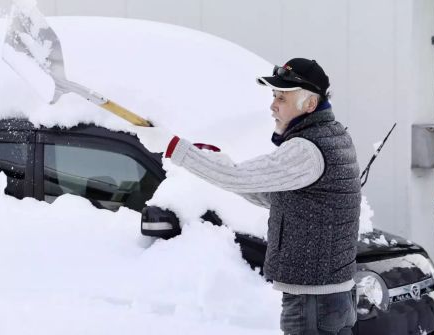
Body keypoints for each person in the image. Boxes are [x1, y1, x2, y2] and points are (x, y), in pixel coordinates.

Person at [137, 58, 360, 334]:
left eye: (282, 97)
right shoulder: (330, 136)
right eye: (274, 96)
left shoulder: (306, 149)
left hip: (314, 301)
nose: (273, 106)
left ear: (310, 105)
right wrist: (215, 164)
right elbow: (279, 197)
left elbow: (238, 176)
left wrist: (173, 148)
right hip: (328, 296)